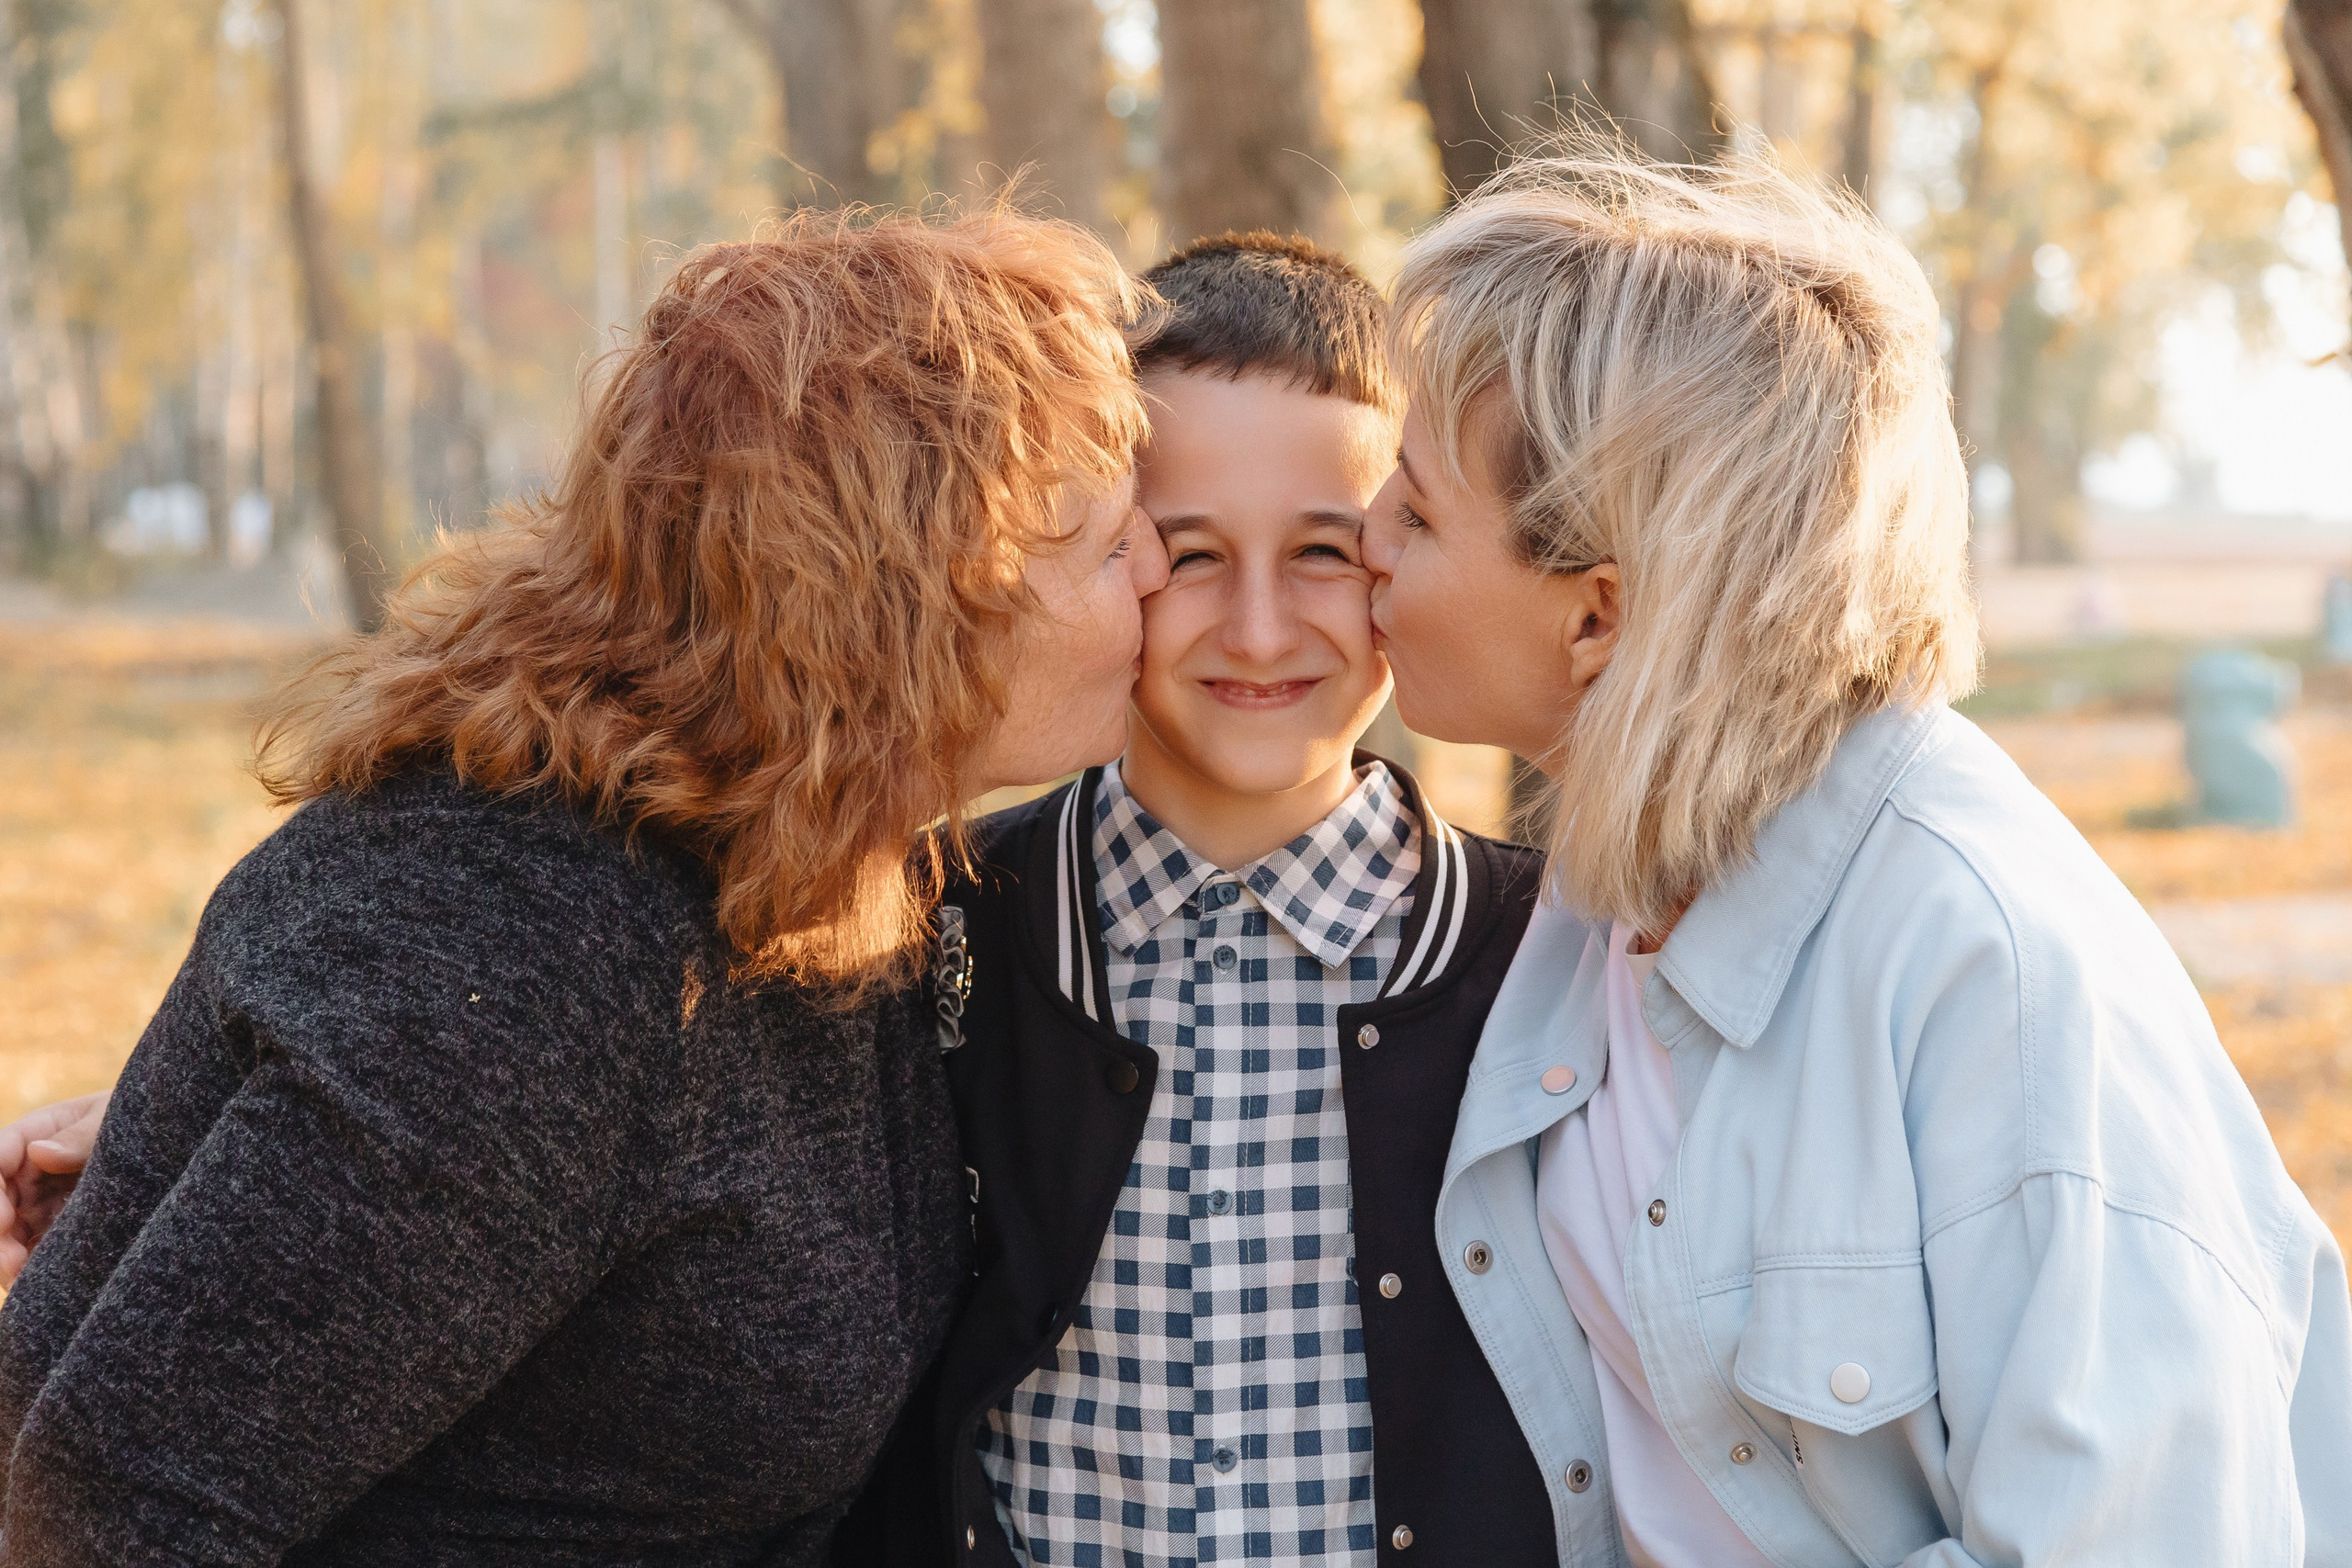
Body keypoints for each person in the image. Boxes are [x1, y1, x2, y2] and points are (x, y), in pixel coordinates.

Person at [0, 208, 1166, 1565]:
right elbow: (102, 1501)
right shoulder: (524, 954)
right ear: (910, 608)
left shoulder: (822, 868)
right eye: (1109, 543)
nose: (1161, 567)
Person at [1361, 145, 2352, 1562]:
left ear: (1599, 617)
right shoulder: (1596, 907)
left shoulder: (1984, 970)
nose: (1363, 540)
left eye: (1414, 507)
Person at [840, 232, 1557, 1568]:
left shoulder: (1544, 956)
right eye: (1192, 553)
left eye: (1328, 553)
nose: (1264, 629)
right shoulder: (931, 930)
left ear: (1403, 553)